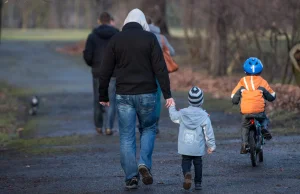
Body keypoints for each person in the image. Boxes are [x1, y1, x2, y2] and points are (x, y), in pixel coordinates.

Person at [98, 9, 174, 189]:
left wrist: (103, 95)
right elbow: (160, 68)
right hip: (148, 93)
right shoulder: (150, 39)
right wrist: (167, 94)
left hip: (124, 95)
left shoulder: (116, 39)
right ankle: (144, 164)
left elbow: (105, 70)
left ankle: (131, 177)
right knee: (148, 129)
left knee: (126, 135)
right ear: (142, 23)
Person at [168, 86, 216, 190]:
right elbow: (208, 132)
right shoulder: (204, 116)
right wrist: (211, 146)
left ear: (189, 100)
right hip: (197, 147)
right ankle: (198, 183)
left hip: (185, 146)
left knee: (185, 161)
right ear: (201, 101)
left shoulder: (182, 113)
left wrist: (172, 105)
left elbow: (173, 116)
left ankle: (187, 174)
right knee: (198, 163)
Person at [83, 12, 119, 135]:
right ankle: (109, 127)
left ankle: (98, 126)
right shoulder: (117, 35)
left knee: (98, 99)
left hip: (98, 72)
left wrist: (92, 64)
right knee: (112, 100)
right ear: (110, 21)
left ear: (99, 21)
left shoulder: (92, 36)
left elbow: (87, 55)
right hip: (113, 72)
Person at [231, 57, 276, 154]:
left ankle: (244, 144)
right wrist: (272, 96)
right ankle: (264, 128)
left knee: (245, 126)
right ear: (260, 70)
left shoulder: (242, 82)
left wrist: (235, 101)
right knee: (264, 119)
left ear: (245, 70)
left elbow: (234, 97)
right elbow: (271, 96)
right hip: (259, 111)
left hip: (246, 112)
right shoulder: (262, 82)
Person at [146, 17, 175, 134]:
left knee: (146, 96)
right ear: (152, 24)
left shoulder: (141, 37)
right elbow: (172, 52)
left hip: (146, 72)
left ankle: (146, 121)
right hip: (160, 71)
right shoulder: (161, 37)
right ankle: (156, 124)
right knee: (157, 98)